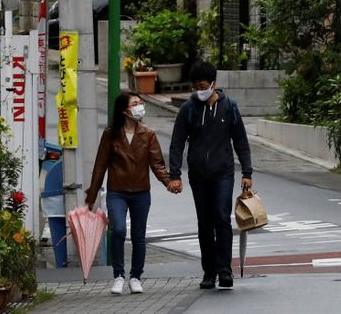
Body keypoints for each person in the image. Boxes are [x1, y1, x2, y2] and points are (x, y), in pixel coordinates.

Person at [168, 60, 253, 290]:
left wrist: (247, 172)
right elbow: (176, 143)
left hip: (223, 172)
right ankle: (209, 271)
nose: (199, 90)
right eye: (195, 86)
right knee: (204, 222)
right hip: (198, 174)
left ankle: (225, 269)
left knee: (222, 218)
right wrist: (174, 174)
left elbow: (241, 142)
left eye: (202, 85)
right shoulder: (189, 108)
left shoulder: (230, 107)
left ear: (213, 83)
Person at [85, 92, 175, 295]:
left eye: (140, 103)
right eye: (135, 103)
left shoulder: (148, 134)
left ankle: (136, 276)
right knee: (118, 230)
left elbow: (157, 164)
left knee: (138, 236)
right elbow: (100, 167)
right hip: (117, 192)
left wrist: (168, 182)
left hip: (141, 192)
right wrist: (91, 196)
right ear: (125, 111)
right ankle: (118, 275)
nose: (140, 106)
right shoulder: (110, 134)